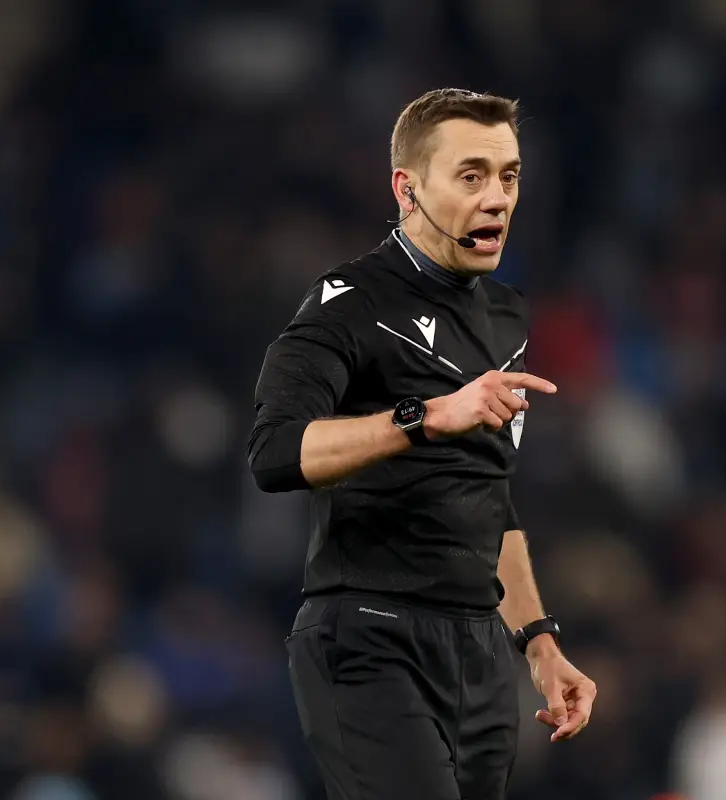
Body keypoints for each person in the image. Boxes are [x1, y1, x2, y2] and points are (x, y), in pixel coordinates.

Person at [247, 88, 597, 800]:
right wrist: (423, 418)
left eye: (509, 176)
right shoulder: (349, 302)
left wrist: (539, 643)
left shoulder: (507, 315)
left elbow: (488, 497)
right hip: (371, 639)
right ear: (407, 189)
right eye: (471, 176)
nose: (497, 198)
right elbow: (275, 452)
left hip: (480, 654)